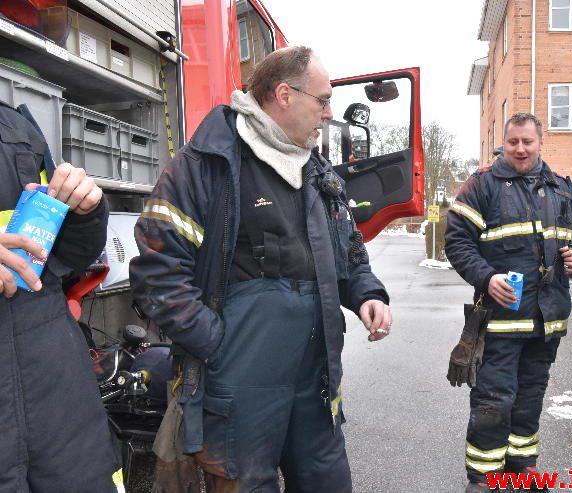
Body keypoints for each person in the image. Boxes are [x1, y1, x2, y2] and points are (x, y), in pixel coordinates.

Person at [129, 46, 391, 492]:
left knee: (328, 481)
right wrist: (215, 342)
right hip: (239, 384)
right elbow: (158, 269)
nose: (328, 114)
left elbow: (350, 253)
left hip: (316, 377)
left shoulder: (318, 171)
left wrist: (367, 294)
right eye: (323, 101)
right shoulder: (206, 165)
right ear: (284, 95)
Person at [445, 112, 572, 493]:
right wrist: (486, 277)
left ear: (540, 142)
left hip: (547, 322)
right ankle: (483, 479)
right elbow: (457, 241)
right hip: (500, 323)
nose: (521, 148)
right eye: (514, 142)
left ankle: (522, 469)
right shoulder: (482, 185)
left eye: (528, 141)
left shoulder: (560, 188)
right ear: (504, 143)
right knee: (493, 402)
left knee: (529, 402)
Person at [0, 100, 122, 492]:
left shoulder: (13, 124)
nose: (324, 113)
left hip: (58, 399)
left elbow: (66, 258)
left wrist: (84, 210)